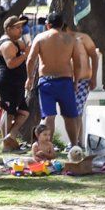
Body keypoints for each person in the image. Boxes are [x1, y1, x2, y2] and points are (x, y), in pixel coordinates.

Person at [25, 12, 80, 147]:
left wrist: (29, 78)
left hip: (46, 82)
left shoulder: (40, 37)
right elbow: (78, 63)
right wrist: (76, 81)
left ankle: (46, 146)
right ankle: (74, 145)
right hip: (65, 81)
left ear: (48, 25)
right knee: (70, 116)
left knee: (49, 116)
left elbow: (31, 60)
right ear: (62, 24)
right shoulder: (71, 39)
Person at [0, 15, 30, 151]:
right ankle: (6, 144)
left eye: (21, 27)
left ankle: (11, 136)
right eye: (17, 28)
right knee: (9, 113)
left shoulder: (14, 41)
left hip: (17, 84)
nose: (20, 31)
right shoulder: (7, 44)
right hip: (8, 83)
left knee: (24, 112)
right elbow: (11, 64)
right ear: (8, 29)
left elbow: (24, 45)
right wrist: (25, 54)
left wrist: (26, 47)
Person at [71, 28, 97, 146]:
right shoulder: (56, 39)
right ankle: (77, 142)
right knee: (73, 113)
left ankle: (76, 143)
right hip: (66, 82)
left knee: (76, 112)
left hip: (83, 81)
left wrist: (94, 78)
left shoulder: (83, 38)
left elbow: (94, 56)